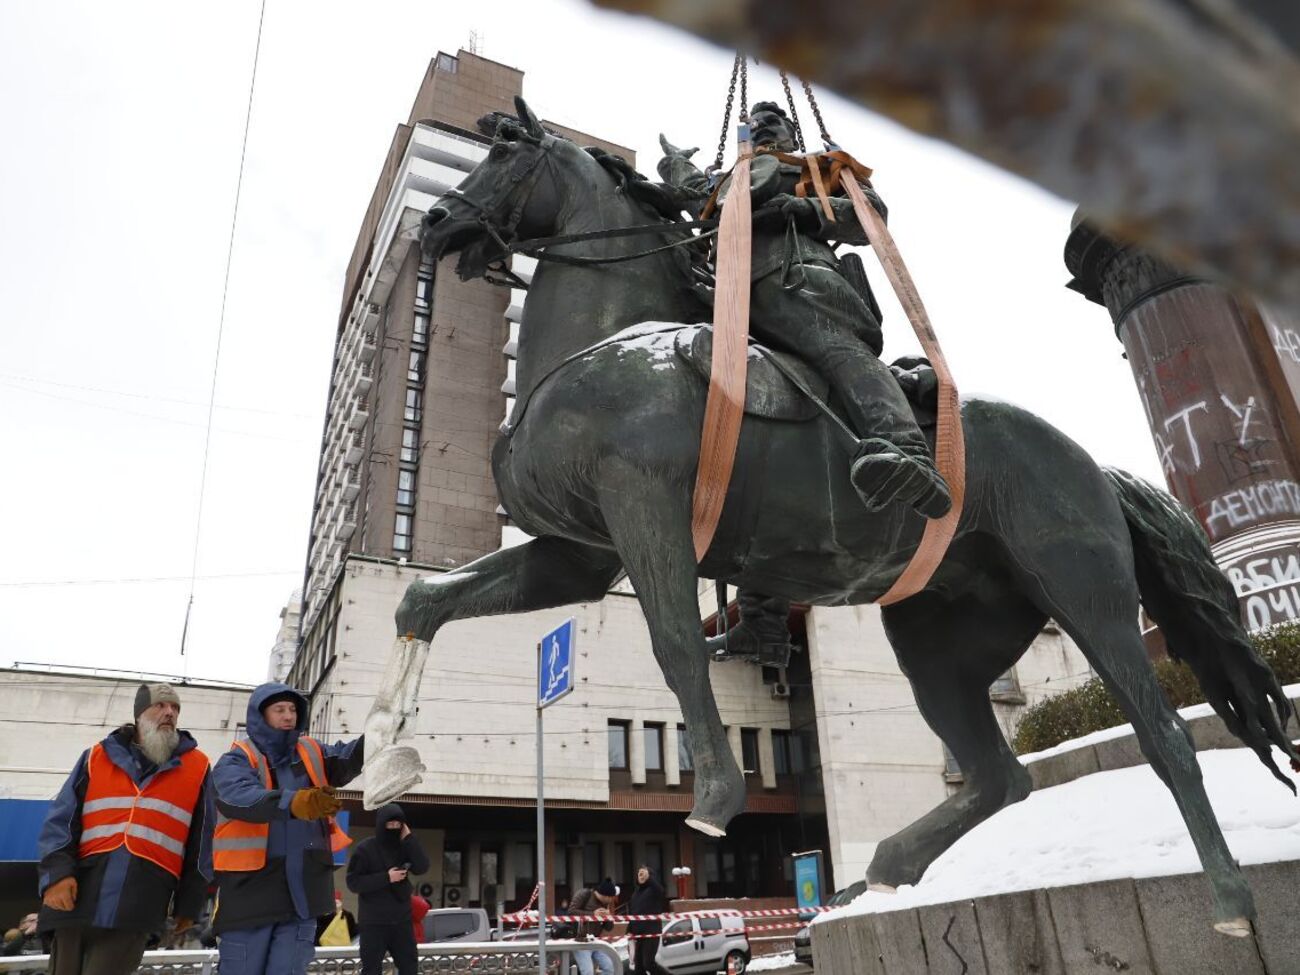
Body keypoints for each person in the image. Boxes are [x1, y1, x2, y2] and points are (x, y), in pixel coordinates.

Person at [660, 101, 951, 664]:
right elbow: (698, 204)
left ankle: (911, 455)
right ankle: (763, 622)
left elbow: (869, 215)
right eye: (759, 122)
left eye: (774, 120)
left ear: (792, 128)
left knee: (833, 348)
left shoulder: (814, 166)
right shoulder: (737, 178)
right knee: (757, 451)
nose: (765, 126)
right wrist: (676, 172)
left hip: (801, 281)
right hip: (729, 301)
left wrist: (799, 215)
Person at [34, 683, 212, 975]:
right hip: (76, 894)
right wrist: (56, 876)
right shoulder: (97, 756)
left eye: (175, 708)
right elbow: (61, 821)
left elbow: (202, 842)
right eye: (161, 706)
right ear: (141, 713)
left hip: (140, 899)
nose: (169, 713)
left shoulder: (198, 766)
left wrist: (189, 904)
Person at [210, 682, 364, 975]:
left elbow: (348, 757)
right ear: (260, 715)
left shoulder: (311, 750)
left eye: (293, 709)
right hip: (251, 897)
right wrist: (295, 802)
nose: (289, 715)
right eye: (279, 709)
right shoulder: (237, 760)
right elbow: (239, 797)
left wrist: (381, 735)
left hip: (303, 895)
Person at [345, 803, 430, 975]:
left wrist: (409, 838)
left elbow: (421, 867)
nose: (393, 828)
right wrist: (386, 877)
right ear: (380, 824)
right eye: (389, 824)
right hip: (373, 923)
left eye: (398, 825)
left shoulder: (405, 846)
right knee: (371, 969)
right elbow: (353, 882)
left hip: (402, 922)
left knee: (409, 967)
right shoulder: (365, 849)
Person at [567, 878, 619, 975]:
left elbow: (609, 928)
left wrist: (608, 917)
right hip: (580, 940)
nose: (612, 900)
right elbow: (571, 913)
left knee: (609, 967)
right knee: (588, 972)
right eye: (611, 897)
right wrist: (592, 914)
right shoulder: (584, 895)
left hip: (596, 940)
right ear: (606, 895)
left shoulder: (606, 904)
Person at [626, 866, 669, 975]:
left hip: (651, 932)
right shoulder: (635, 893)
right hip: (638, 934)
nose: (641, 876)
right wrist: (629, 930)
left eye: (644, 874)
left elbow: (661, 890)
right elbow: (633, 913)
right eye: (639, 874)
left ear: (650, 876)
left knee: (648, 963)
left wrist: (649, 878)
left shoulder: (654, 890)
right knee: (638, 968)